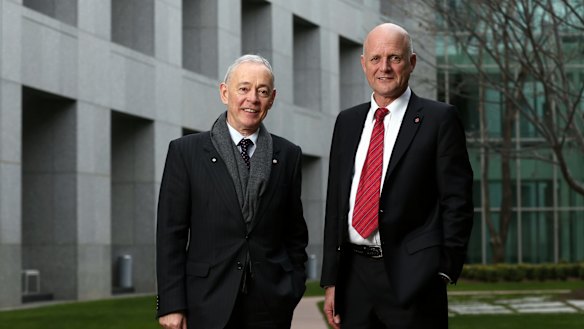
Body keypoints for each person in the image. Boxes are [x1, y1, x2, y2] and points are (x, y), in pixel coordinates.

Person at [320, 23, 474, 329]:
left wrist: (443, 269)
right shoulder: (347, 122)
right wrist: (330, 280)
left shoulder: (439, 119)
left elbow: (457, 201)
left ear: (412, 62)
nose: (385, 68)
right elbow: (337, 204)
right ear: (363, 64)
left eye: (395, 58)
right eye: (375, 59)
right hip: (354, 279)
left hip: (414, 278)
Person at [156, 54, 309, 329]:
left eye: (262, 91)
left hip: (270, 305)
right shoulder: (185, 152)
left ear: (272, 99)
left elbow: (294, 233)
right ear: (225, 92)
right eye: (244, 88)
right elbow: (170, 236)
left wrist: (292, 287)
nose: (252, 98)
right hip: (206, 301)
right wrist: (171, 304)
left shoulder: (288, 155)